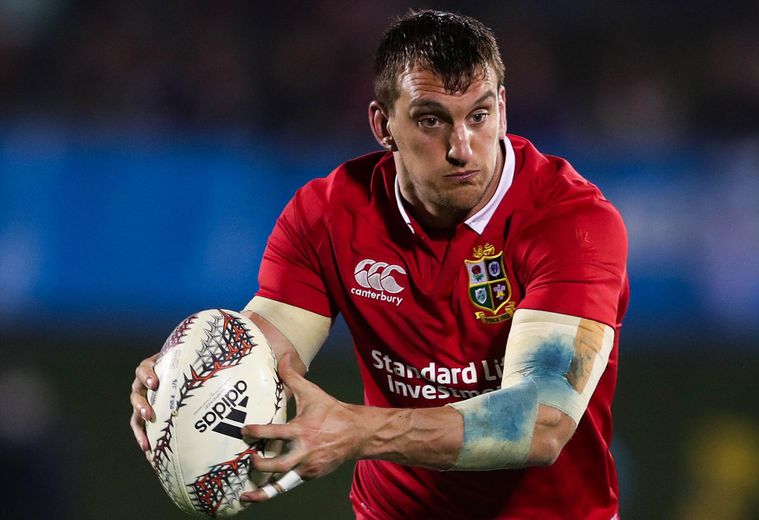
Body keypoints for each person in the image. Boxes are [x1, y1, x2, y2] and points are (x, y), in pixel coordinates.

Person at [129, 9, 629, 519]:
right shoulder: (329, 214)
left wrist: (359, 431)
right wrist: (182, 381)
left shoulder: (573, 224)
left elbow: (543, 421)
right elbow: (267, 350)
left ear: (502, 108)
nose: (462, 148)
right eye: (431, 120)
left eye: (478, 116)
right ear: (383, 125)